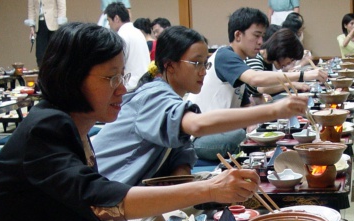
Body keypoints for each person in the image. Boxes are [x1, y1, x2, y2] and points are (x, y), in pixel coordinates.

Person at [0, 22, 262, 221]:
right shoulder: (43, 127)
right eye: (111, 77)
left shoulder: (76, 124)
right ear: (72, 78)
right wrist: (209, 189)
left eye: (122, 75)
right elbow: (100, 202)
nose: (122, 88)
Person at [92, 25, 309, 186]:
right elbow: (196, 126)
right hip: (106, 197)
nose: (204, 71)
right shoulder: (153, 94)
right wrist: (275, 110)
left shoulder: (175, 99)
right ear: (170, 66)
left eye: (205, 63)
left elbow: (181, 160)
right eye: (196, 63)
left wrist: (187, 188)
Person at [187, 7, 326, 161]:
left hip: (220, 132)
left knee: (258, 131)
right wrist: (302, 75)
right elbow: (255, 79)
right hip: (201, 139)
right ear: (238, 35)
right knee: (241, 135)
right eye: (256, 35)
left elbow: (249, 107)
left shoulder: (240, 64)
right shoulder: (224, 55)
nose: (261, 42)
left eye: (262, 36)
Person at [244, 28, 310, 100]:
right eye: (291, 59)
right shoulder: (255, 58)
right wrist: (292, 84)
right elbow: (262, 87)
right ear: (281, 51)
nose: (289, 63)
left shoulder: (268, 61)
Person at [105, 2, 150, 90]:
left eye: (108, 20)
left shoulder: (122, 35)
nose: (108, 24)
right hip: (145, 83)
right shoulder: (138, 32)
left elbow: (117, 64)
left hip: (131, 87)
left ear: (116, 18)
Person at [24, 0, 68, 67]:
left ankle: (55, 73)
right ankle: (42, 73)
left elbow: (61, 5)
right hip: (40, 24)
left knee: (55, 52)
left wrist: (61, 24)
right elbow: (31, 8)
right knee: (40, 54)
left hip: (54, 23)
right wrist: (32, 27)